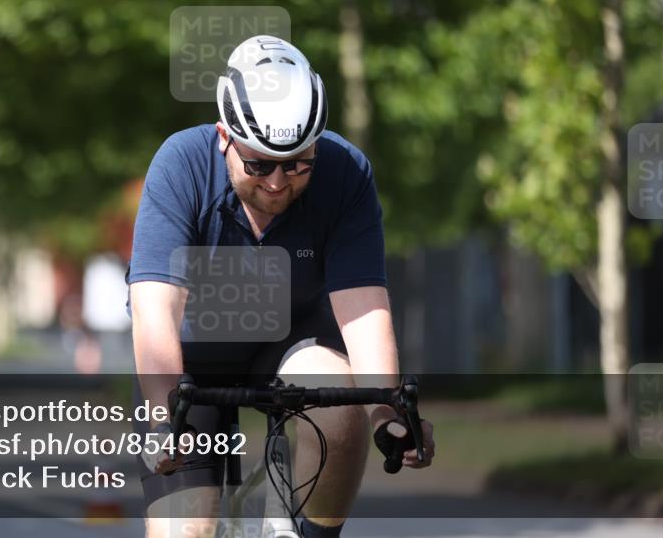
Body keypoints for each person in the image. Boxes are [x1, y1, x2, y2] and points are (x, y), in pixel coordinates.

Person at [128, 35, 435, 538]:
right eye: (259, 164)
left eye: (296, 164)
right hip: (193, 360)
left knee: (343, 408)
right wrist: (166, 419)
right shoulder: (179, 164)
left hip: (289, 342)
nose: (277, 182)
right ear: (224, 136)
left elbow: (362, 309)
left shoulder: (345, 172)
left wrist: (387, 414)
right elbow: (154, 310)